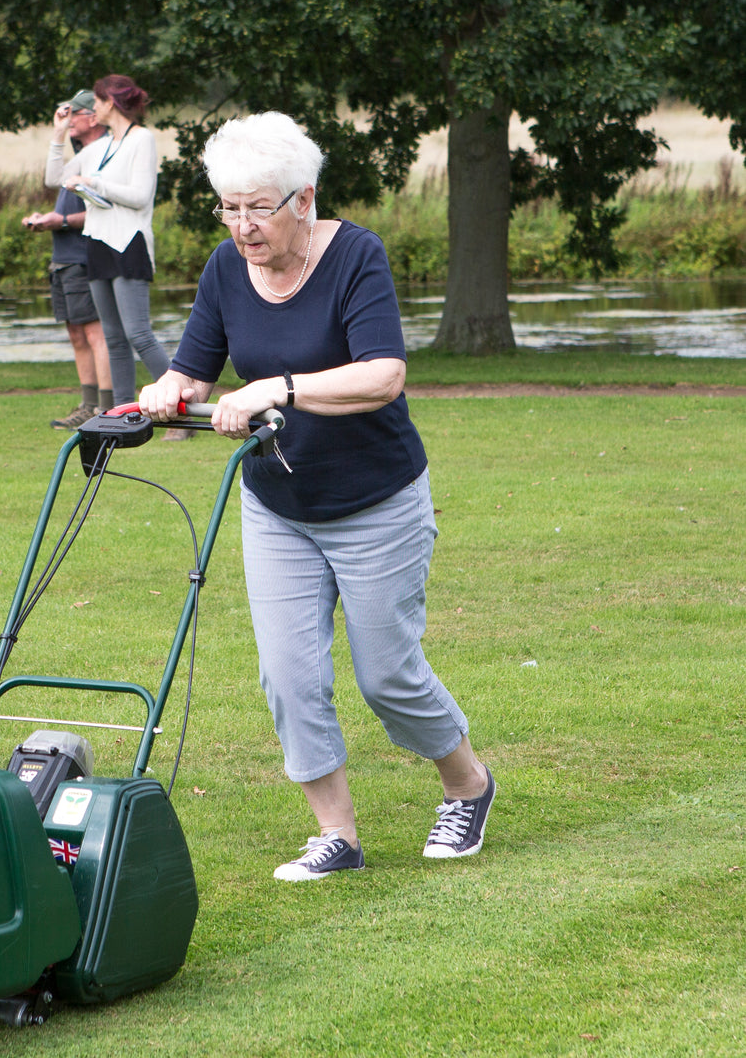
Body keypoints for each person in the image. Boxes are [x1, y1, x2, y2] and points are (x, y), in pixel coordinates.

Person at [137, 112, 495, 881]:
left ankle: (467, 782)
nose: (241, 226)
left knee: (387, 674)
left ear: (303, 199)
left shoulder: (355, 256)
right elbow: (195, 368)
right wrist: (167, 391)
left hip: (377, 501)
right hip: (278, 504)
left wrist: (280, 387)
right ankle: (338, 833)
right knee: (289, 674)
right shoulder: (225, 268)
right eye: (229, 208)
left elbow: (384, 374)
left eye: (256, 208)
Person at [49, 74, 173, 417]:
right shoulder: (98, 148)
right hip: (98, 244)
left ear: (112, 103)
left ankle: (182, 409)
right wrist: (58, 136)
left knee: (139, 334)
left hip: (129, 243)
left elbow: (140, 196)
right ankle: (121, 417)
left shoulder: (142, 139)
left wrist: (94, 183)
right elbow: (53, 178)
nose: (94, 108)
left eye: (99, 101)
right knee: (115, 339)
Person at [23, 90, 113, 429]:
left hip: (86, 255)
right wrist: (58, 133)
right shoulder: (79, 153)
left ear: (94, 117)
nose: (67, 118)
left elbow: (108, 211)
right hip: (63, 256)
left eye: (73, 113)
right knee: (76, 333)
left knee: (95, 333)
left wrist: (58, 221)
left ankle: (104, 409)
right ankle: (87, 405)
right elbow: (53, 178)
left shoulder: (106, 151)